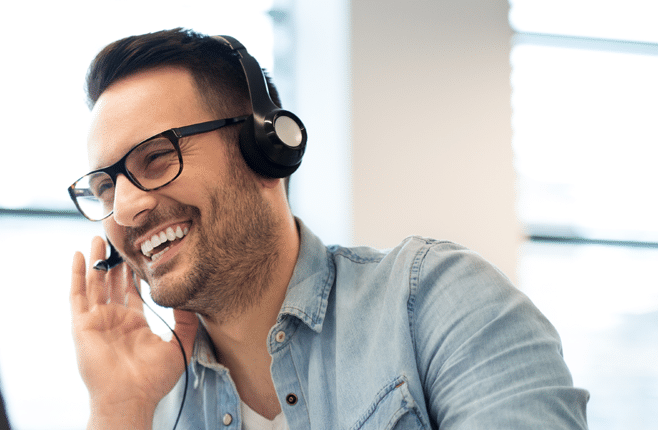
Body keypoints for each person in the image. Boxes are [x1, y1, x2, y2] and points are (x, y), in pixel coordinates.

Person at [67, 28, 588, 430]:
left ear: (265, 150)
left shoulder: (439, 303)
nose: (126, 209)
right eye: (105, 188)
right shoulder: (151, 397)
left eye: (157, 158)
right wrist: (118, 409)